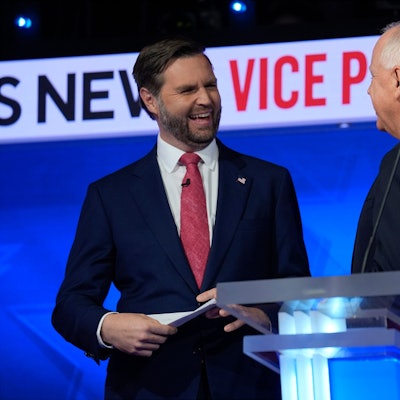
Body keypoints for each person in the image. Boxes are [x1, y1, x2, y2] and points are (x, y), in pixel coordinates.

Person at [52, 37, 310, 400]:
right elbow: (71, 304)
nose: (205, 99)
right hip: (148, 387)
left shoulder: (269, 182)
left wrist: (262, 314)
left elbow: (298, 289)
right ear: (150, 101)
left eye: (211, 85)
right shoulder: (111, 195)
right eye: (188, 89)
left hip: (249, 384)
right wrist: (108, 326)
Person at [352, 21, 400, 273]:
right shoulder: (391, 163)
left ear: (397, 79)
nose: (369, 90)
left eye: (373, 76)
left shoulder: (396, 165)